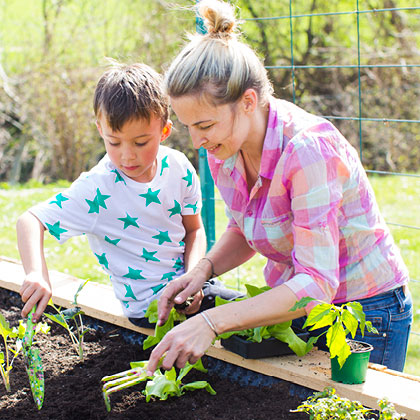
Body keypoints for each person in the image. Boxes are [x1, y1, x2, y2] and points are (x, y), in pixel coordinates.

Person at [146, 0, 412, 375]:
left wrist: (210, 322)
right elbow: (245, 227)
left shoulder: (307, 150)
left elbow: (318, 283)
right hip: (299, 302)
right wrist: (202, 271)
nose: (195, 142)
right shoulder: (225, 149)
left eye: (204, 126)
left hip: (364, 312)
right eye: (189, 126)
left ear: (248, 101)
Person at [17, 62, 210, 326]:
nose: (127, 155)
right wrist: (37, 274)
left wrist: (193, 276)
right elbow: (30, 220)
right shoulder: (98, 188)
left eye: (141, 142)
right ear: (100, 129)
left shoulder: (179, 168)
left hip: (191, 290)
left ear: (164, 130)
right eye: (114, 142)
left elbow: (194, 231)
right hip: (149, 311)